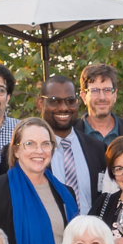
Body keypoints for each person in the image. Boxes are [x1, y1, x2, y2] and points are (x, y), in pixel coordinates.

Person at [33, 74, 107, 217]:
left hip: (90, 234)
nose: (64, 108)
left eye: (70, 101)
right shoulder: (26, 152)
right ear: (40, 104)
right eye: (55, 101)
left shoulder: (98, 149)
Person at [78, 63, 123, 143]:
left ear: (115, 95)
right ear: (84, 96)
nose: (102, 97)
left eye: (107, 90)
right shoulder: (70, 134)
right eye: (95, 90)